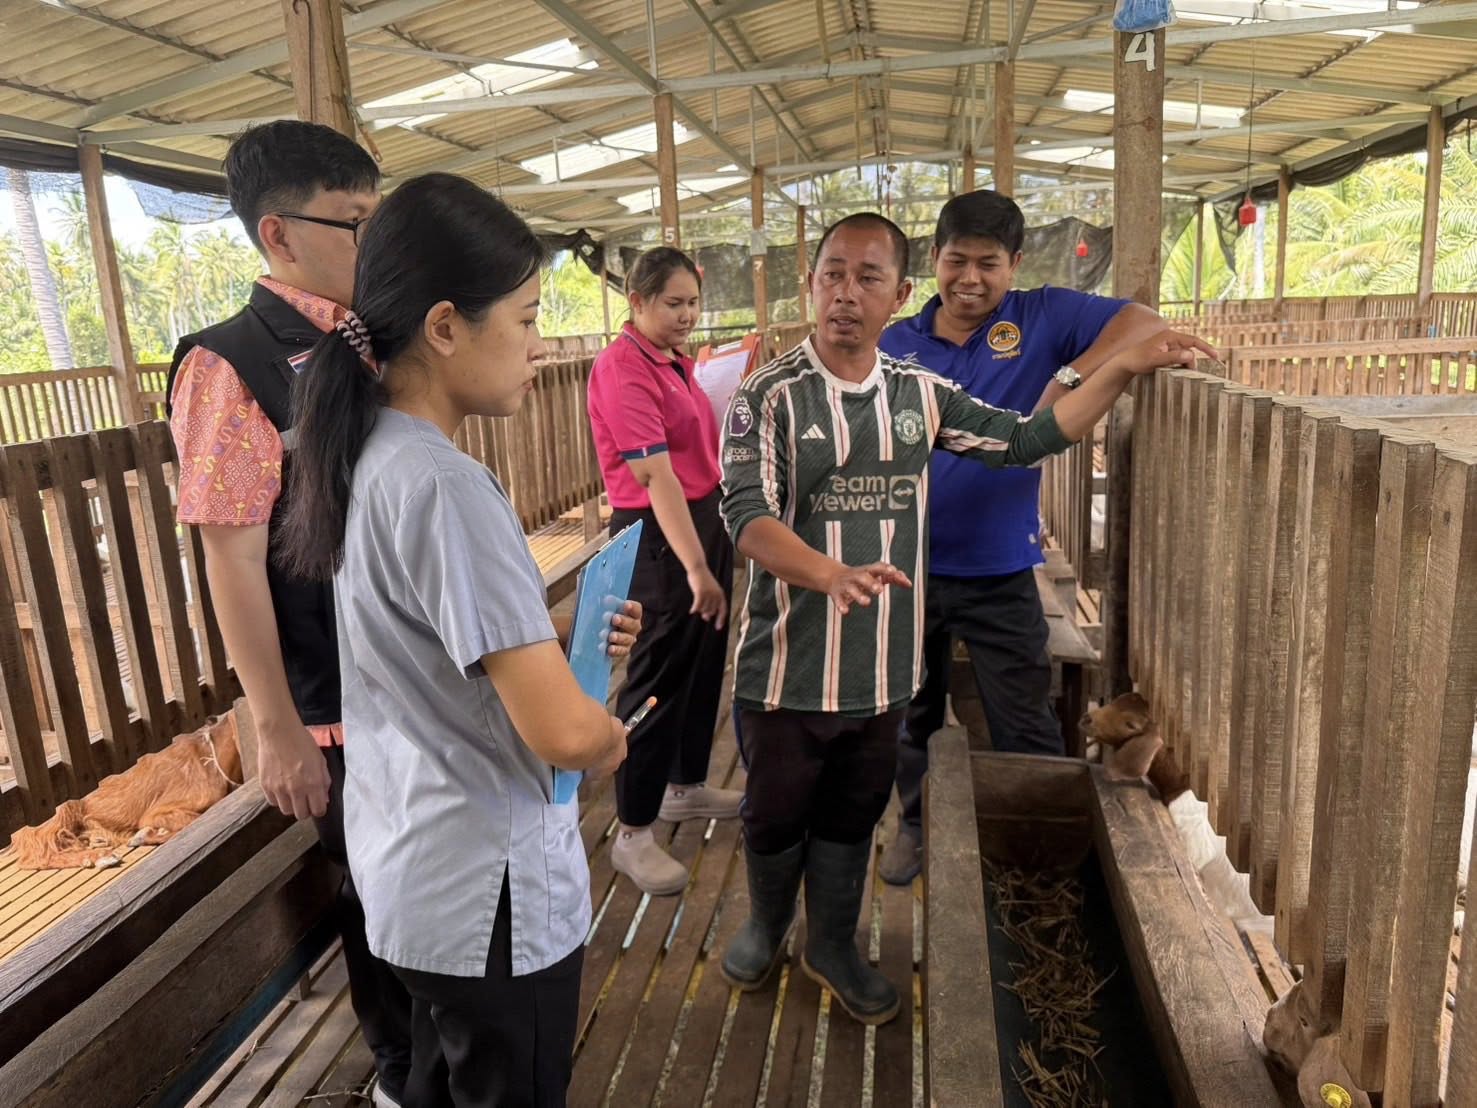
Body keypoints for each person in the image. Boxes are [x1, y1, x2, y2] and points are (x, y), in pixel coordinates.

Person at [717, 212, 1213, 1026]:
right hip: (786, 664)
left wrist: (1120, 368)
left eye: (867, 277)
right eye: (832, 274)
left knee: (852, 811)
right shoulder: (766, 395)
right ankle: (765, 924)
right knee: (774, 811)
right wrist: (829, 573)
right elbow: (746, 516)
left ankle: (831, 944)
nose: (846, 293)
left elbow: (1024, 439)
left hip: (881, 665)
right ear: (810, 286)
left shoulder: (918, 394)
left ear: (898, 295)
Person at [278, 172, 638, 1108]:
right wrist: (607, 733)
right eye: (525, 319)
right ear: (444, 326)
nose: (538, 344)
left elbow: (423, 648)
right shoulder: (444, 483)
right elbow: (563, 735)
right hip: (488, 891)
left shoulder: (369, 455)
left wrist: (552, 633)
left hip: (413, 870)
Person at [165, 121, 412, 1106]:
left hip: (410, 668)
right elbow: (231, 559)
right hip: (335, 694)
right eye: (354, 223)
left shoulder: (377, 340)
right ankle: (400, 1071)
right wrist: (277, 727)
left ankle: (448, 1049)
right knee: (375, 889)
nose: (373, 241)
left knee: (425, 872)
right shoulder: (229, 366)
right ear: (278, 233)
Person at [876, 189, 1173, 886]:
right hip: (903, 565)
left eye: (988, 264)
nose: (970, 279)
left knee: (1024, 716)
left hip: (1000, 566)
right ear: (934, 258)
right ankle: (914, 823)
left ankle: (1040, 850)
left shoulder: (1042, 315)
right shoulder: (896, 343)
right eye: (956, 261)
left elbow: (1145, 322)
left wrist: (1068, 374)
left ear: (1014, 264)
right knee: (908, 711)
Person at [587, 248, 742, 895]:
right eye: (673, 303)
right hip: (656, 534)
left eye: (693, 303)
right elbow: (654, 477)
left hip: (701, 517)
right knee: (654, 676)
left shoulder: (674, 361)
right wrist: (695, 565)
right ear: (638, 301)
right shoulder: (623, 367)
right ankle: (632, 830)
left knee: (701, 661)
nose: (686, 315)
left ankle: (684, 785)